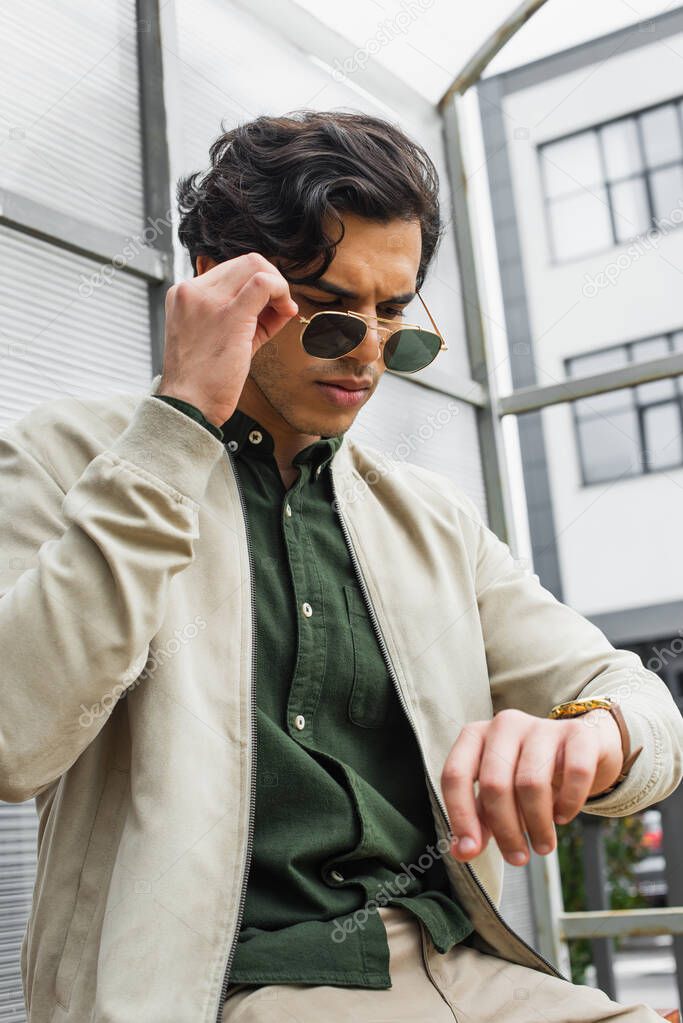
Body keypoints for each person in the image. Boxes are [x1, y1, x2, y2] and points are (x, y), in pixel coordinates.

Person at [1, 110, 681, 1023]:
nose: (366, 353)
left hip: (470, 976)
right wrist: (177, 426)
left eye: (394, 316)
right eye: (328, 312)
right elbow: (14, 737)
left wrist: (592, 735)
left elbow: (638, 703)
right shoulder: (66, 459)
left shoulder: (428, 518)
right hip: (226, 990)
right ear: (218, 285)